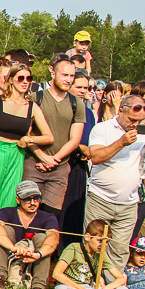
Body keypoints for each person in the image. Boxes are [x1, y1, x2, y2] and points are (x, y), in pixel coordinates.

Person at [0, 62, 53, 214]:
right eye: (21, 78)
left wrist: (29, 139)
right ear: (11, 79)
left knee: (7, 202)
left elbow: (48, 137)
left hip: (16, 155)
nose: (25, 82)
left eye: (29, 78)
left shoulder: (32, 107)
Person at [85, 93, 145, 270]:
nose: (135, 124)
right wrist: (121, 142)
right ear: (120, 110)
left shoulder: (143, 134)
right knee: (93, 246)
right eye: (131, 120)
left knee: (119, 251)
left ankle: (112, 285)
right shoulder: (102, 128)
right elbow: (95, 157)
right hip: (100, 199)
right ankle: (90, 282)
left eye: (140, 121)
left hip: (129, 203)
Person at [23, 54, 86, 219]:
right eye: (65, 75)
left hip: (60, 167)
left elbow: (75, 140)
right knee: (28, 213)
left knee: (51, 216)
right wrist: (43, 157)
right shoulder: (36, 98)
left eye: (72, 76)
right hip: (33, 164)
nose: (68, 80)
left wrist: (53, 160)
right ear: (53, 73)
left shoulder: (77, 104)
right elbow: (25, 134)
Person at [0, 180, 60, 289]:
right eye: (27, 199)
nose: (32, 203)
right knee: (6, 229)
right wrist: (13, 248)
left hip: (34, 258)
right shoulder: (7, 212)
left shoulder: (48, 217)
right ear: (18, 200)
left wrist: (38, 254)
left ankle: (38, 288)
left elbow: (54, 238)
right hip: (10, 255)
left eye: (36, 198)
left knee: (42, 238)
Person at [60, 70, 98, 248]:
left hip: (79, 167)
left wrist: (87, 150)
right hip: (62, 163)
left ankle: (69, 250)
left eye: (86, 88)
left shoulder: (89, 113)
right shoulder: (64, 108)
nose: (83, 91)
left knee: (74, 211)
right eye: (79, 87)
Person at [52, 219, 130, 289]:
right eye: (100, 241)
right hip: (70, 287)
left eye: (107, 242)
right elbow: (56, 274)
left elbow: (121, 278)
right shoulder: (73, 248)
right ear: (88, 237)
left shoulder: (101, 254)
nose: (103, 245)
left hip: (90, 288)